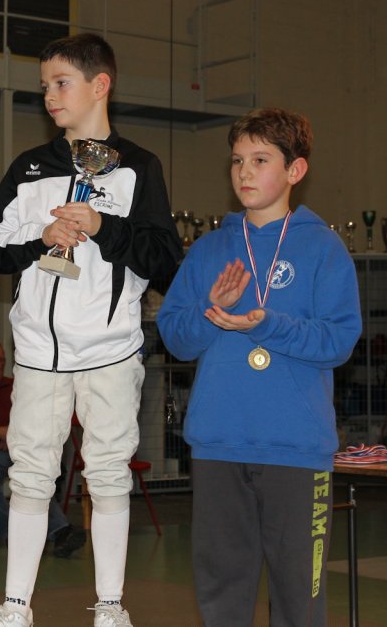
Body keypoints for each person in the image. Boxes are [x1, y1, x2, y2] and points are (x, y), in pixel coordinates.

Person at [0, 33, 182, 627]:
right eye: (44, 85)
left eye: (61, 83)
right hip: (38, 352)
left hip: (111, 350)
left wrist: (102, 225)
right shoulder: (29, 167)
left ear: (100, 85)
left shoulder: (139, 166)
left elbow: (165, 259)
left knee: (109, 474)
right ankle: (16, 606)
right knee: (30, 475)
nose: (49, 95)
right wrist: (39, 238)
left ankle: (111, 607)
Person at [156, 107, 362, 626]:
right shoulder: (208, 250)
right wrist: (212, 312)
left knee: (299, 599)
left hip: (296, 449)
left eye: (260, 160)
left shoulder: (323, 248)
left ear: (295, 170)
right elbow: (175, 338)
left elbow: (339, 340)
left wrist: (267, 325)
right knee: (222, 595)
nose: (244, 172)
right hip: (219, 444)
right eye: (237, 161)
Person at [0, 340, 86, 557]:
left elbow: (33, 415)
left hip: (21, 445)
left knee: (37, 473)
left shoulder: (16, 386)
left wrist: (11, 433)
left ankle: (60, 531)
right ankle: (14, 531)